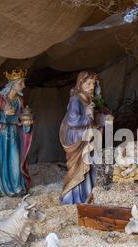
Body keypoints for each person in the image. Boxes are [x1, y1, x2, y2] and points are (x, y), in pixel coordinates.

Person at [59, 71, 112, 204]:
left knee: (91, 165)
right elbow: (73, 121)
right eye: (88, 83)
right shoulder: (75, 99)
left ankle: (88, 195)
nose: (92, 86)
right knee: (79, 168)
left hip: (87, 137)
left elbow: (92, 119)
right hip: (78, 139)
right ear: (80, 84)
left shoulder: (88, 99)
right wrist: (88, 116)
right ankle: (73, 198)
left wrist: (104, 119)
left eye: (93, 83)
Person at [0, 69, 33, 197]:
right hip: (1, 134)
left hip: (14, 133)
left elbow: (22, 117)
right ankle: (1, 187)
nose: (23, 86)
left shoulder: (20, 101)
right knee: (1, 160)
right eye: (21, 83)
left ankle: (16, 186)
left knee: (15, 159)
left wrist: (26, 122)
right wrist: (3, 114)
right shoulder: (0, 99)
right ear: (12, 84)